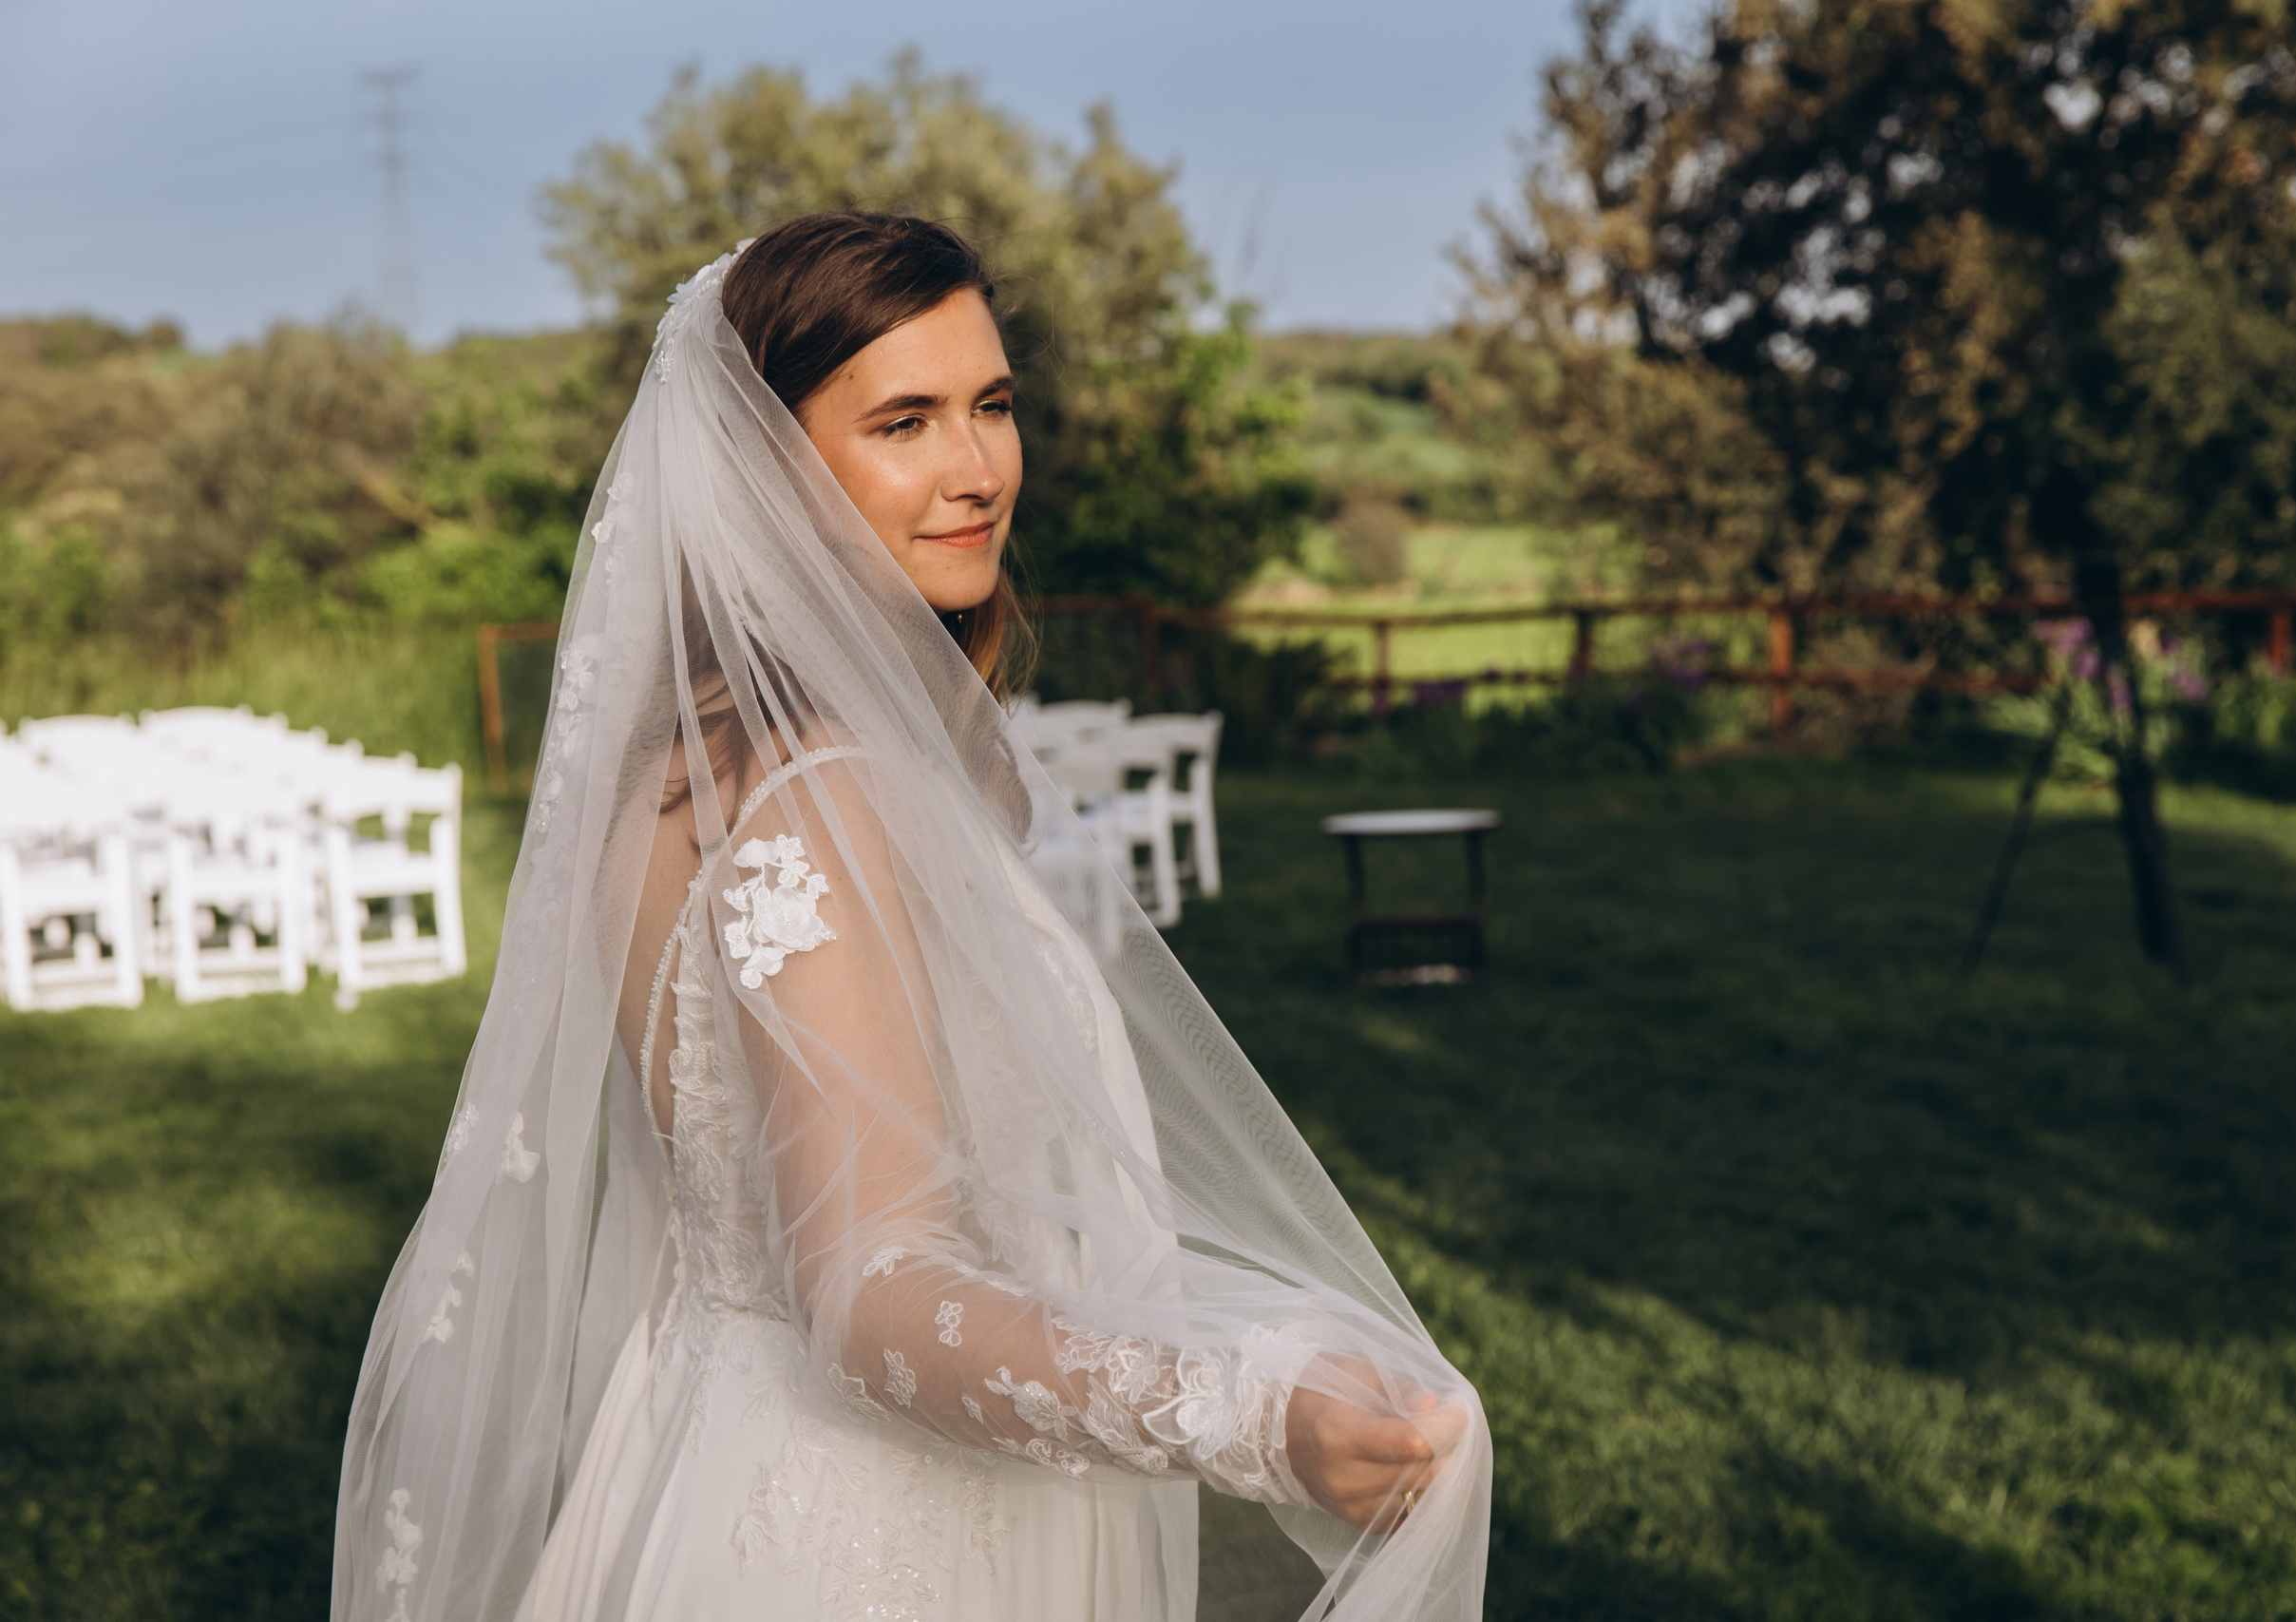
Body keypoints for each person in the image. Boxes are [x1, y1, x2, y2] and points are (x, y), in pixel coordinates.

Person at [332, 212, 1489, 1621]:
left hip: (697, 1438)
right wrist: (1252, 1414)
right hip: (878, 1530)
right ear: (768, 467)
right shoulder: (825, 795)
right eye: (905, 421)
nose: (976, 469)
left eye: (992, 405)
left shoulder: (676, 768)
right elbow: (870, 1289)